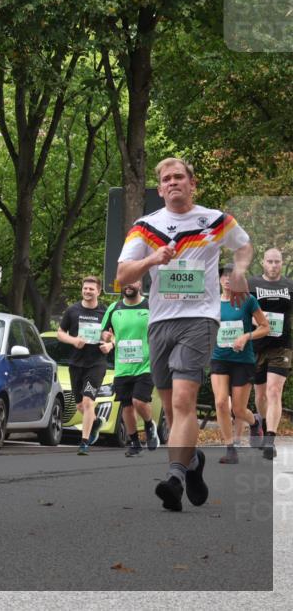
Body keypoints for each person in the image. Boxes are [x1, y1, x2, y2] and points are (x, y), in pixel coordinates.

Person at [117, 157, 253, 511]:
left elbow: (244, 245)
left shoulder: (214, 220)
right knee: (174, 415)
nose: (173, 182)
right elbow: (122, 274)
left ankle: (175, 478)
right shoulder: (146, 226)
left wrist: (238, 272)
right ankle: (192, 464)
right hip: (160, 321)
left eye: (180, 177)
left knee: (182, 401)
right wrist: (151, 260)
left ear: (193, 184)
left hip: (199, 319)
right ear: (160, 189)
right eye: (166, 179)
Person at [211, 264, 269, 464]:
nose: (227, 279)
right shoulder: (211, 303)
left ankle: (255, 422)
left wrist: (246, 336)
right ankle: (230, 448)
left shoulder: (247, 300)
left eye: (231, 276)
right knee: (220, 402)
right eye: (224, 276)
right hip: (219, 358)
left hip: (242, 361)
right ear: (219, 280)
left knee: (238, 409)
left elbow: (265, 327)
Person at [100, 279, 158, 457]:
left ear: (140, 284)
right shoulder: (114, 308)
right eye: (125, 282)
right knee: (126, 407)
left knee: (139, 401)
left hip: (146, 364)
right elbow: (104, 332)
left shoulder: (150, 305)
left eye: (133, 282)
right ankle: (134, 442)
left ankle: (149, 425)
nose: (129, 285)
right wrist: (107, 336)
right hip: (123, 366)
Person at [57, 276, 110, 455]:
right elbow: (60, 333)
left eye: (91, 289)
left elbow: (115, 334)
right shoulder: (72, 310)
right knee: (80, 405)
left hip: (96, 363)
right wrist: (74, 341)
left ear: (98, 291)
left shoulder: (105, 312)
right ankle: (95, 423)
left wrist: (109, 343)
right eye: (85, 288)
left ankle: (84, 442)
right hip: (76, 363)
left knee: (88, 402)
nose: (87, 291)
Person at [249, 248, 292, 460]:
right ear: (263, 263)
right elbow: (243, 310)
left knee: (274, 390)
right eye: (270, 262)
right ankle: (263, 424)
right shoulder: (252, 284)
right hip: (257, 346)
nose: (274, 265)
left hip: (282, 346)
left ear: (282, 263)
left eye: (277, 262)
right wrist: (254, 320)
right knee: (260, 394)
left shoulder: (289, 286)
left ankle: (270, 439)